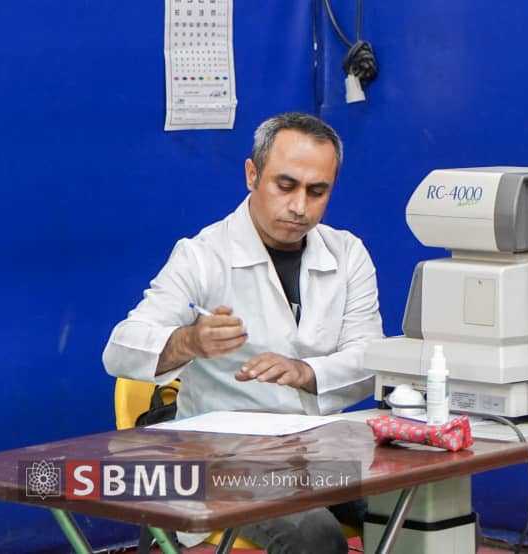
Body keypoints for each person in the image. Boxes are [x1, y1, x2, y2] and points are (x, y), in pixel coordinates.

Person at [103, 112, 383, 553]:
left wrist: (307, 372)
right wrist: (188, 341)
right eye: (285, 186)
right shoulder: (202, 256)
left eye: (317, 191)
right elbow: (120, 349)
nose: (299, 207)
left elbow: (370, 358)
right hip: (224, 462)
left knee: (424, 507)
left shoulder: (347, 255)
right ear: (252, 175)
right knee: (315, 536)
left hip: (318, 454)